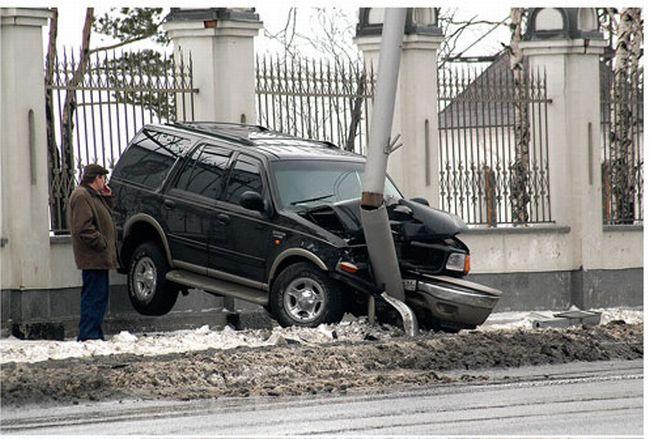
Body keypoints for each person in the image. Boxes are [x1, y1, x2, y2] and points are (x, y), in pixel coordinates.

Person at [68, 164, 118, 341]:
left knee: (98, 297)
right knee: (94, 297)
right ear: (96, 178)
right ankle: (89, 334)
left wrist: (108, 196)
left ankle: (93, 333)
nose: (105, 181)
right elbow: (83, 227)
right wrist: (101, 243)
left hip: (98, 257)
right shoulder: (82, 196)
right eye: (103, 178)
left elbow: (109, 214)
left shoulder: (93, 195)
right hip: (93, 256)